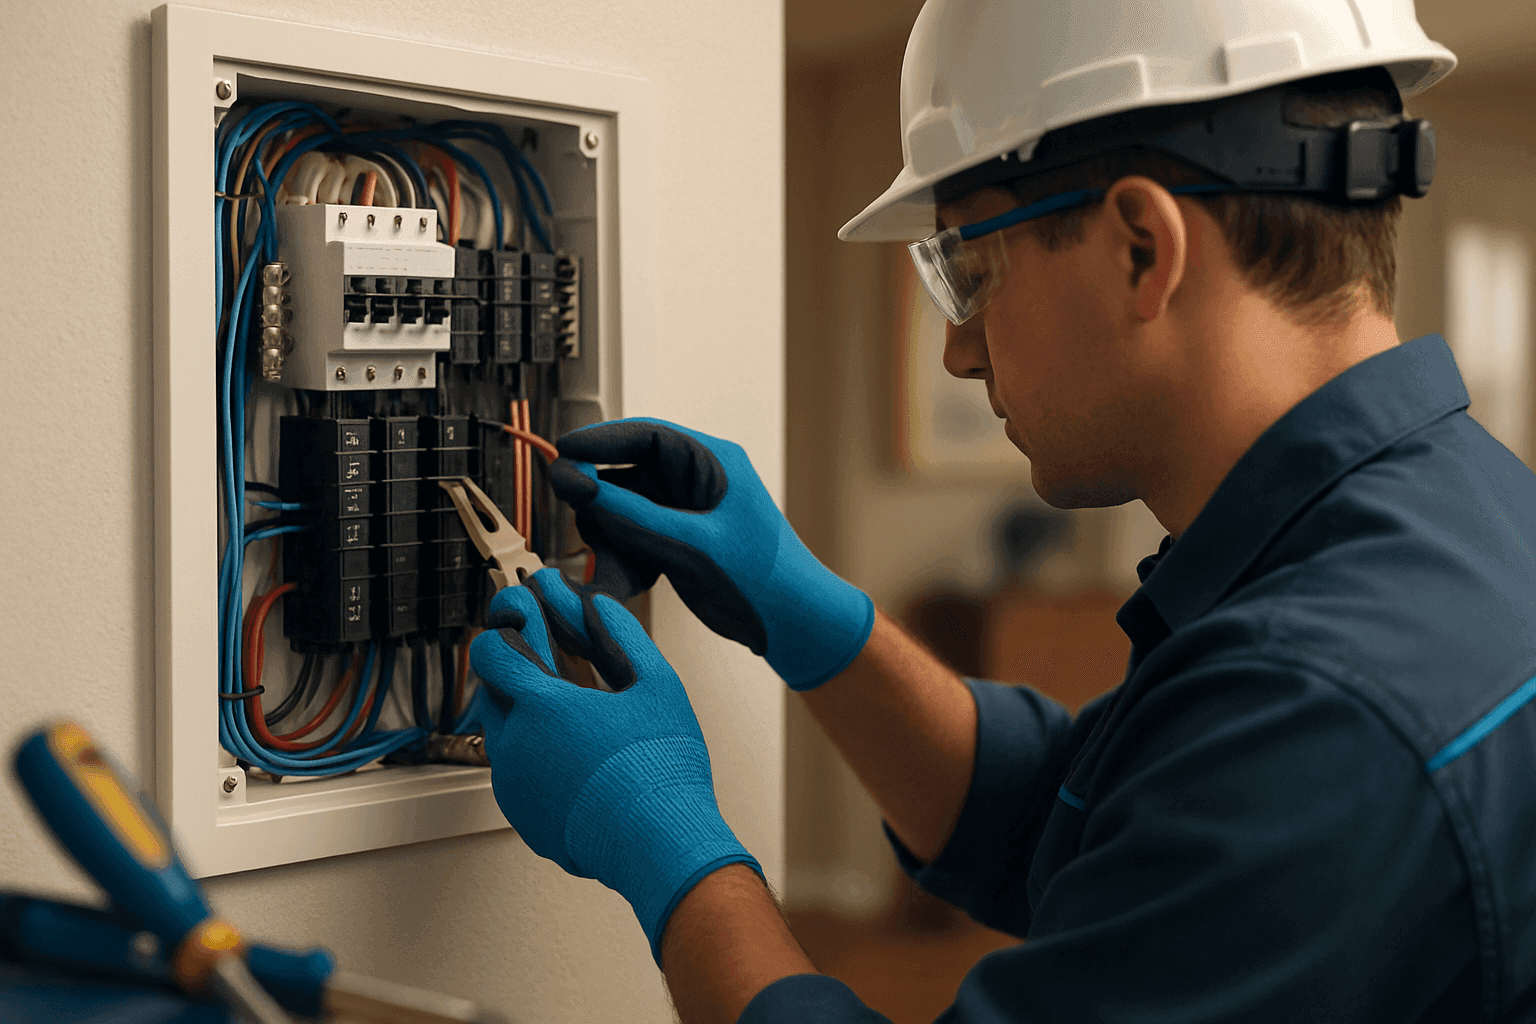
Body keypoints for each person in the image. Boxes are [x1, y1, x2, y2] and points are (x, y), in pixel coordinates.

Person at [463, 1, 1536, 1021]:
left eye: (970, 266)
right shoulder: (1455, 528)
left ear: (1141, 250)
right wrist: (800, 605)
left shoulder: (1322, 705)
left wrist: (666, 841)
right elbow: (1065, 815)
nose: (957, 349)